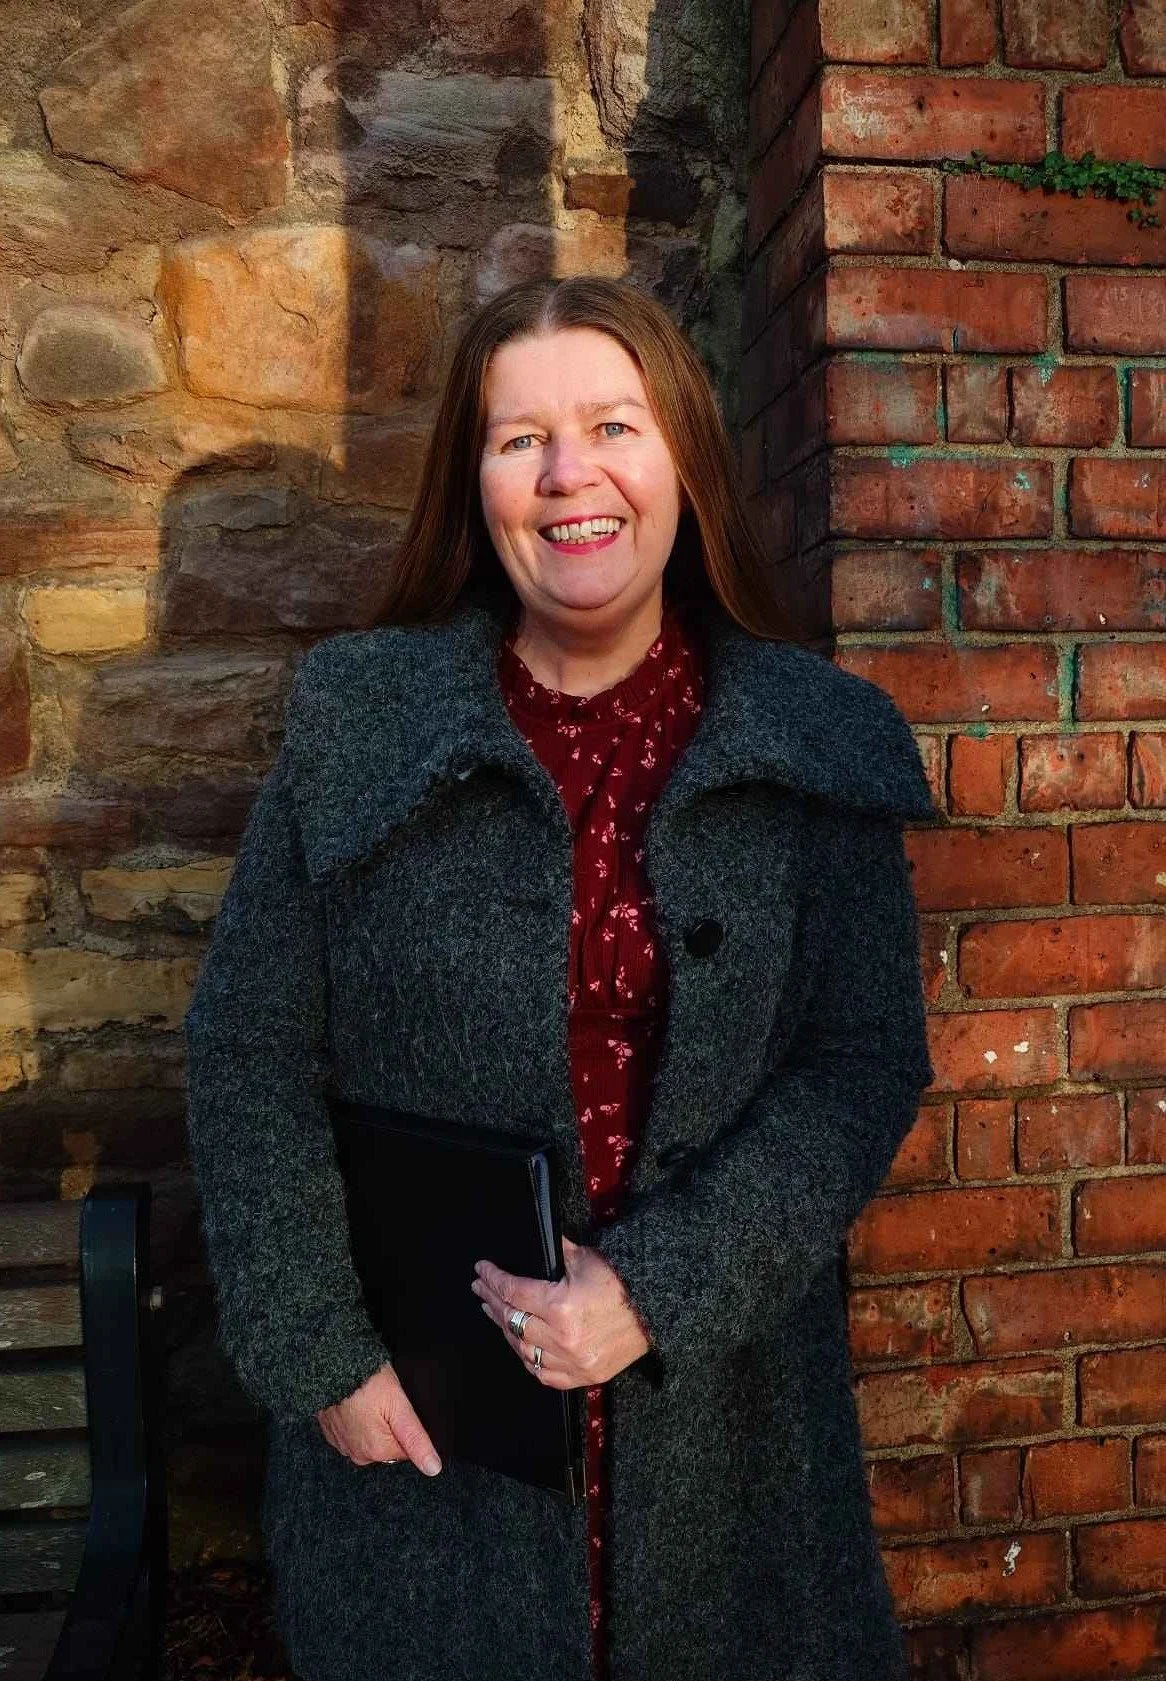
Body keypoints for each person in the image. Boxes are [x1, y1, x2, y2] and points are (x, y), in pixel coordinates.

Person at [182, 274, 936, 1681]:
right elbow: (247, 1050)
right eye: (519, 438)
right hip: (423, 1440)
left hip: (722, 1419)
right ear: (472, 487)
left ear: (683, 463)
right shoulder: (358, 726)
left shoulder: (813, 740)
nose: (569, 474)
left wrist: (658, 1284)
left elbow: (861, 1060)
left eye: (611, 425)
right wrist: (318, 1356)